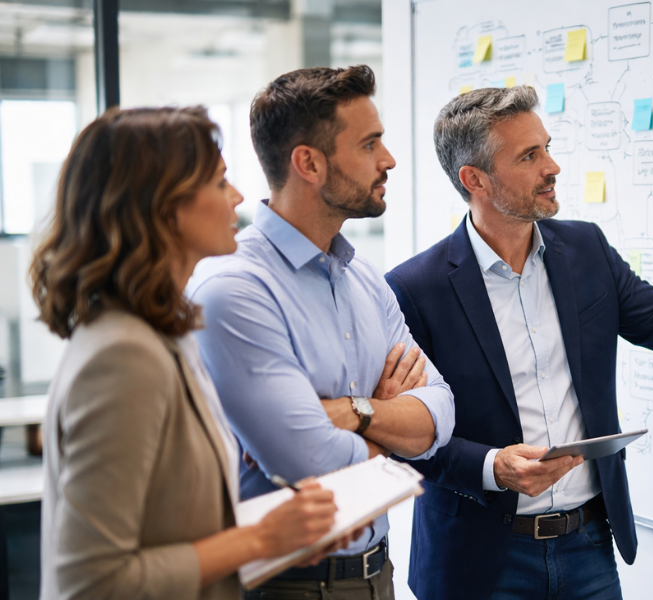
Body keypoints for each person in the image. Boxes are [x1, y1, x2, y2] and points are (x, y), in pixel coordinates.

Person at [385, 86, 653, 600]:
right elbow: (404, 436)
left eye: (546, 147)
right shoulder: (414, 289)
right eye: (529, 156)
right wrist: (492, 468)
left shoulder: (585, 249)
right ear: (475, 179)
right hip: (480, 561)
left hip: (588, 547)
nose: (551, 166)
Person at [30, 107, 348, 600]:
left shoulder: (161, 335)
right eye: (220, 182)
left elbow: (168, 530)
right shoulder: (123, 356)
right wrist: (259, 538)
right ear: (163, 206)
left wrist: (283, 534)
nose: (239, 198)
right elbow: (91, 582)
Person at [187, 65, 454, 600]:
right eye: (370, 143)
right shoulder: (234, 288)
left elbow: (442, 412)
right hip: (289, 584)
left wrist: (354, 411)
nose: (389, 160)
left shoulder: (364, 278)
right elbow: (309, 464)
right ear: (308, 163)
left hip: (379, 574)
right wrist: (390, 432)